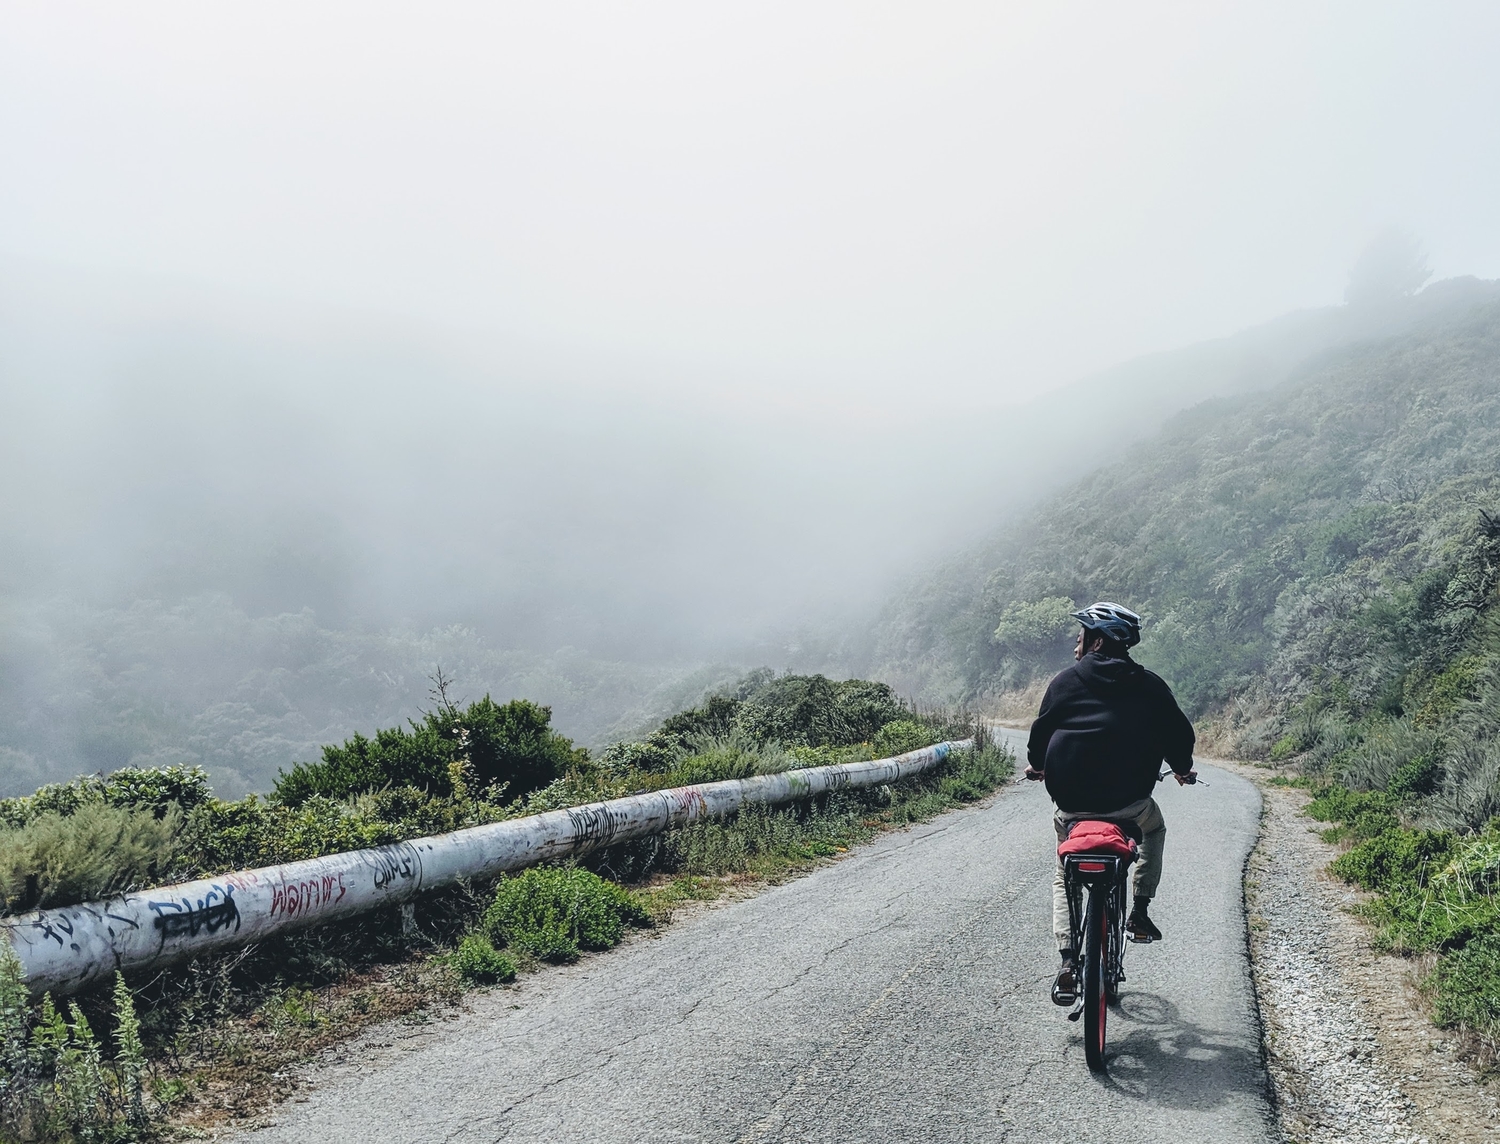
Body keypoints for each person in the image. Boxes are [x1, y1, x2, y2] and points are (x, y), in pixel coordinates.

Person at [1023, 601, 1197, 1005]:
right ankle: (1139, 909)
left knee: (1061, 868)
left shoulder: (1064, 683)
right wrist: (1183, 769)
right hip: (1129, 806)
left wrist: (1037, 766)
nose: (1075, 644)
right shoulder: (1151, 686)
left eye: (1081, 635)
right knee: (1155, 828)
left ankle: (1068, 961)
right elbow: (1179, 737)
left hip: (1072, 808)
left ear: (1097, 640)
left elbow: (1039, 735)